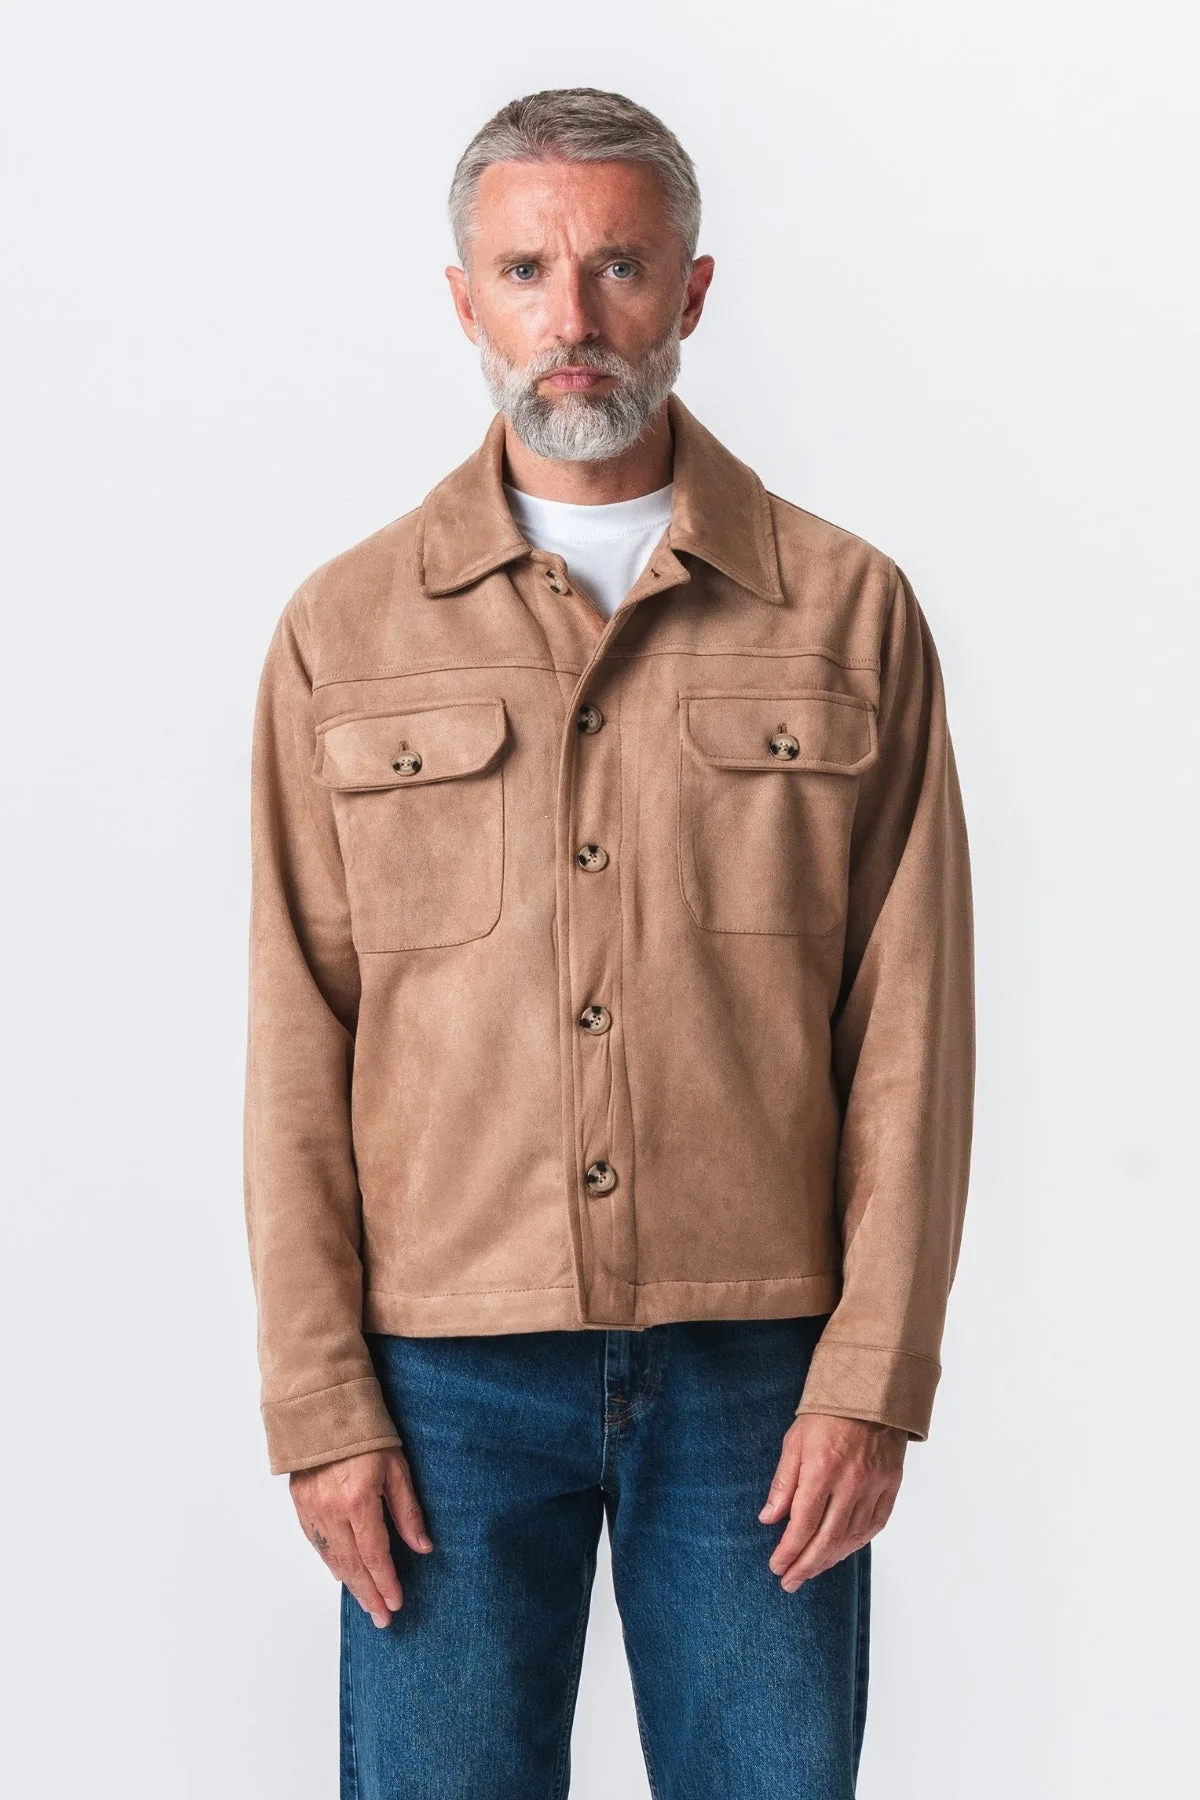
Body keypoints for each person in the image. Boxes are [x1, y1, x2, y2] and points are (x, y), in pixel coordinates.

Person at [242, 84, 975, 1800]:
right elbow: (296, 1035)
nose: (571, 318)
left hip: (761, 1380)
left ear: (692, 291)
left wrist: (874, 1374)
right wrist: (320, 1401)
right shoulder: (346, 633)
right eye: (525, 270)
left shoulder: (846, 614)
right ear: (465, 298)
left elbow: (912, 1029)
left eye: (619, 268)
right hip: (440, 1386)